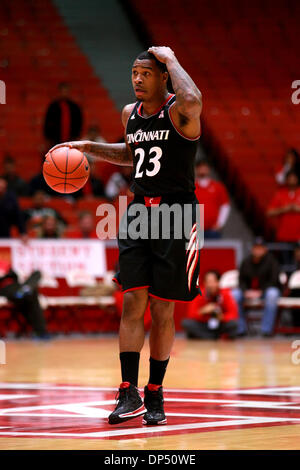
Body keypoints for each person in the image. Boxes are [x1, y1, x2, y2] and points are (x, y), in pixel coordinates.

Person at [48, 46, 202, 426]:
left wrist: (172, 59)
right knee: (132, 302)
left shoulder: (181, 111)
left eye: (146, 73)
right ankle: (128, 391)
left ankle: (155, 392)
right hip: (138, 213)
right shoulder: (129, 114)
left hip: (176, 214)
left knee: (163, 308)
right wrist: (89, 148)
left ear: (162, 76)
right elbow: (133, 155)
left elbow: (193, 97)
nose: (137, 79)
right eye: (134, 73)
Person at [232, 238, 281, 337]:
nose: (258, 250)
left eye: (260, 248)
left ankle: (266, 330)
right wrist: (245, 291)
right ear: (252, 249)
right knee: (235, 294)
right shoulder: (246, 262)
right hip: (249, 292)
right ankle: (240, 329)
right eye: (256, 248)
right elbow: (241, 280)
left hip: (266, 291)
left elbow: (274, 280)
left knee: (273, 294)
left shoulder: (272, 261)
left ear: (265, 249)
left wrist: (261, 292)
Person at [182, 270, 238, 339]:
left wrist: (222, 317)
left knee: (233, 324)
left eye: (213, 282)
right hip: (204, 324)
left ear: (218, 282)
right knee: (186, 323)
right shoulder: (199, 294)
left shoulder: (225, 294)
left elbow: (233, 314)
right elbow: (190, 314)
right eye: (208, 282)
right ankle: (212, 337)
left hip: (220, 323)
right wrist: (203, 311)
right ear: (204, 283)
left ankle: (205, 336)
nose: (210, 285)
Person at [0, 265, 49, 339]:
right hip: (5, 287)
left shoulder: (7, 265)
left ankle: (26, 289)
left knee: (37, 273)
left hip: (18, 286)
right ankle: (41, 332)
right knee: (32, 298)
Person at [194, 160, 230, 239]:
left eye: (205, 168)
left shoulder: (218, 187)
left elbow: (225, 206)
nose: (202, 170)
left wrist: (220, 224)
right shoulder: (191, 187)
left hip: (213, 230)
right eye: (200, 168)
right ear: (196, 169)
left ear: (209, 169)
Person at [44, 82, 83, 147]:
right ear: (59, 91)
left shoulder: (75, 107)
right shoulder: (53, 106)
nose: (64, 93)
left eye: (66, 91)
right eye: (63, 91)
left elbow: (78, 122)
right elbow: (48, 122)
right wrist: (49, 137)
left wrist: (76, 135)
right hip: (55, 138)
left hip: (71, 138)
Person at [267, 170, 300, 242]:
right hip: (283, 235)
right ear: (286, 180)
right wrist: (285, 209)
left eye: (294, 179)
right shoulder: (279, 194)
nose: (292, 181)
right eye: (290, 179)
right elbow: (269, 213)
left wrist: (297, 209)